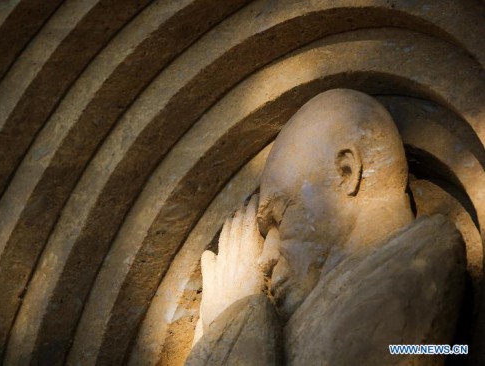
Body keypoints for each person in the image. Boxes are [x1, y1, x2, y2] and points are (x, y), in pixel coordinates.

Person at [186, 89, 466, 365]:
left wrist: (233, 319)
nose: (265, 257)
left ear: (347, 172)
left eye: (281, 217)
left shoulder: (415, 265)